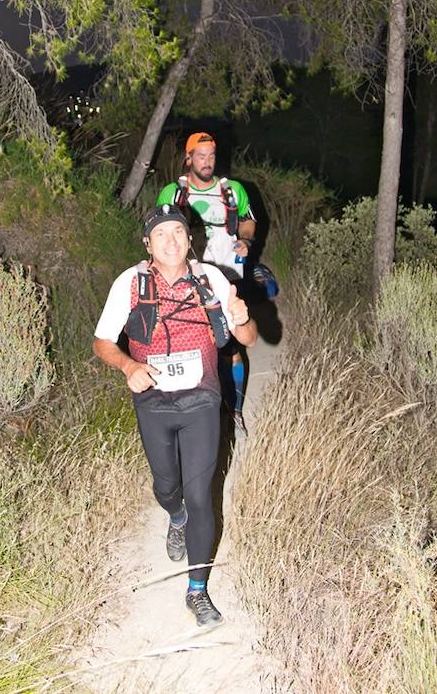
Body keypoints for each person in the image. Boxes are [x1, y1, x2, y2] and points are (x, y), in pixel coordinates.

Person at [93, 204, 257, 627]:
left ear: (190, 240)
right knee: (168, 486)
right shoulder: (130, 283)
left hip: (202, 398)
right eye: (161, 234)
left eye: (179, 233)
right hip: (153, 400)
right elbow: (102, 342)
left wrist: (241, 321)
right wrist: (129, 366)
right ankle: (176, 517)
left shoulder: (211, 279)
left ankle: (197, 589)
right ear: (148, 243)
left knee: (200, 492)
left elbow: (250, 337)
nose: (171, 240)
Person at [156, 132, 257, 438]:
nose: (207, 162)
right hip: (186, 280)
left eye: (211, 156)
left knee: (230, 347)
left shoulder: (232, 190)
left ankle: (235, 412)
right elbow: (161, 234)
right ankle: (193, 414)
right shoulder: (173, 194)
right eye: (200, 156)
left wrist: (246, 240)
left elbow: (248, 221)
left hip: (228, 277)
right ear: (188, 158)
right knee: (193, 348)